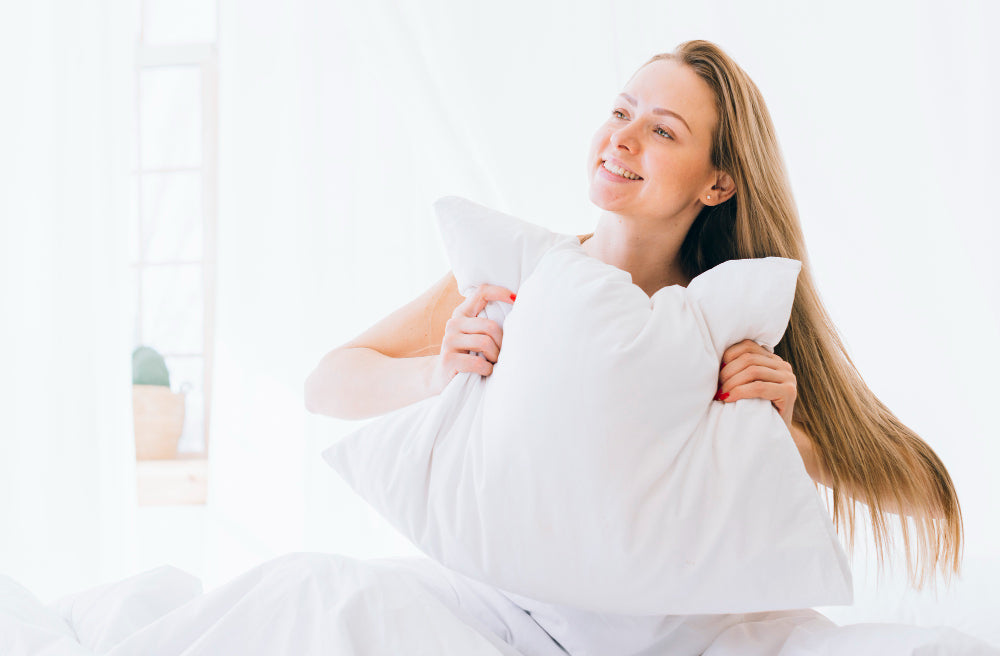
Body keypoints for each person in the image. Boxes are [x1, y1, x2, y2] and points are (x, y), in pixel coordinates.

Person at [305, 39, 961, 598]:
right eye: (621, 111)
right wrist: (438, 373)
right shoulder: (517, 279)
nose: (621, 138)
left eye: (662, 130)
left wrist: (780, 439)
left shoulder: (728, 321)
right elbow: (327, 383)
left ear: (717, 184)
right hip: (506, 607)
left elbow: (926, 494)